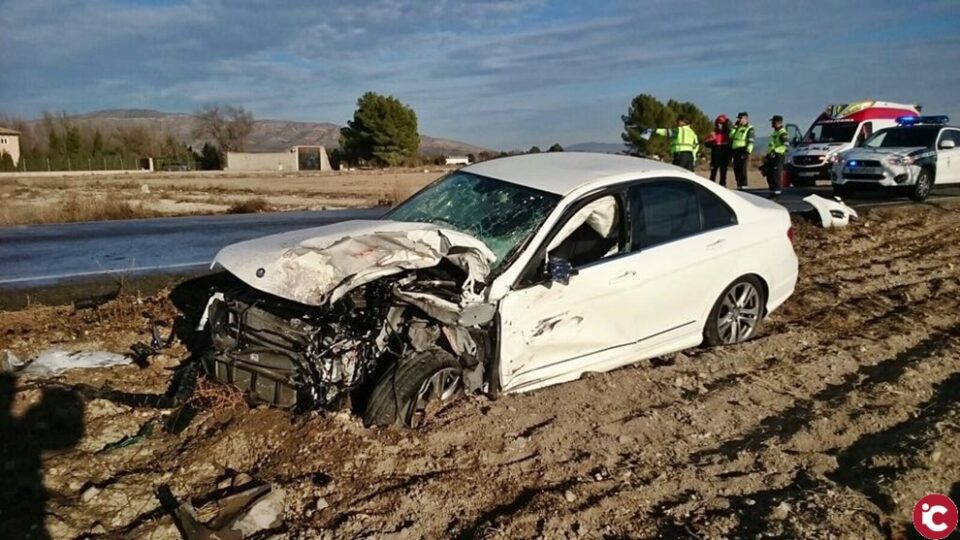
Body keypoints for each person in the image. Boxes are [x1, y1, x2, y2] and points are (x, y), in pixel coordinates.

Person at [763, 115, 790, 198]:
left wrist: (775, 151)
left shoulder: (783, 133)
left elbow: (786, 145)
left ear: (778, 122)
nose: (772, 123)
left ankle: (776, 194)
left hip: (778, 156)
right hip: (772, 156)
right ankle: (772, 192)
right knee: (769, 174)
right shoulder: (775, 132)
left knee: (775, 175)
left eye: (773, 122)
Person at [704, 115, 731, 186]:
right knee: (713, 173)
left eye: (721, 123)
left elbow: (731, 146)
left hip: (724, 156)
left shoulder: (729, 133)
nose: (719, 125)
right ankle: (711, 187)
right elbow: (706, 144)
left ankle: (723, 187)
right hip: (715, 156)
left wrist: (730, 157)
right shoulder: (714, 133)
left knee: (723, 174)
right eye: (718, 123)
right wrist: (710, 139)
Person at [730, 112, 755, 189]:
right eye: (738, 118)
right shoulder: (738, 128)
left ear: (745, 119)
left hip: (743, 150)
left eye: (740, 118)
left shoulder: (749, 128)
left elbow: (751, 141)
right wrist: (734, 128)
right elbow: (731, 136)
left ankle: (744, 186)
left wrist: (747, 152)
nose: (739, 120)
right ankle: (739, 185)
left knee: (742, 170)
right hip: (735, 151)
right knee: (736, 169)